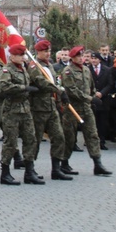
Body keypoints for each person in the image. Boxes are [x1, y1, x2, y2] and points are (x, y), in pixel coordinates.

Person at [59, 46, 112, 176]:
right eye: (78, 56)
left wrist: (94, 96)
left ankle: (97, 164)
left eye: (81, 56)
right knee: (69, 137)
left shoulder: (86, 70)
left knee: (92, 135)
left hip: (86, 108)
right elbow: (71, 91)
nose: (81, 58)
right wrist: (90, 99)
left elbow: (91, 87)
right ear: (72, 58)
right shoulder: (67, 71)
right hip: (72, 109)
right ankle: (64, 163)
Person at [0, 44, 42, 185]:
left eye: (23, 55)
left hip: (25, 109)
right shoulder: (6, 70)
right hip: (12, 110)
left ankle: (29, 171)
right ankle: (5, 173)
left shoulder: (23, 69)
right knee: (10, 142)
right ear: (12, 56)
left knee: (30, 139)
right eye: (20, 55)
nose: (23, 58)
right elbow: (3, 87)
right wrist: (24, 88)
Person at [26, 40, 71, 181]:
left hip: (51, 107)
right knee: (35, 140)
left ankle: (56, 169)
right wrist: (58, 90)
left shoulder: (49, 65)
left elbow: (55, 81)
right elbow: (42, 82)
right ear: (38, 52)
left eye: (49, 51)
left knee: (58, 137)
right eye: (45, 51)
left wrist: (60, 94)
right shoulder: (34, 66)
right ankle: (29, 170)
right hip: (37, 108)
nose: (48, 53)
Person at [89, 52, 113, 150]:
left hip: (104, 99)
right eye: (92, 58)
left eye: (95, 58)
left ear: (99, 60)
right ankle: (92, 142)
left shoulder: (107, 70)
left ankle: (102, 142)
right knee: (92, 122)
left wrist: (102, 93)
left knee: (102, 122)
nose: (93, 60)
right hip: (91, 98)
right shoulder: (87, 70)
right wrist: (93, 93)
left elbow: (110, 84)